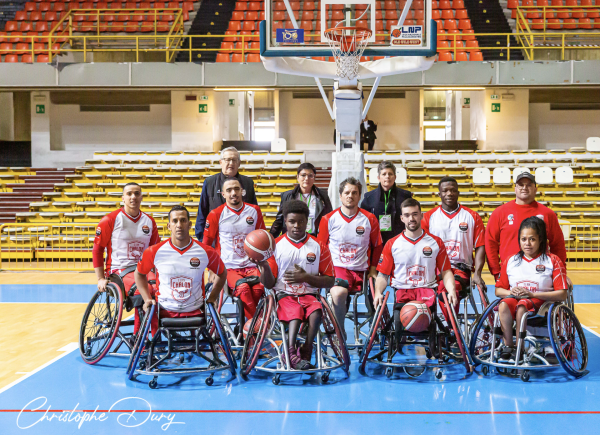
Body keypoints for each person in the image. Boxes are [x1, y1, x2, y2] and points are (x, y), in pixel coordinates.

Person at [252, 200, 335, 370]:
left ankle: (307, 349)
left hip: (310, 294)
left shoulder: (319, 246)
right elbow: (269, 283)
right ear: (285, 222)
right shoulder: (275, 246)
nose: (296, 225)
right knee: (295, 312)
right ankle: (289, 352)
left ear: (307, 222)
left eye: (301, 221)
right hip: (284, 294)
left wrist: (305, 277)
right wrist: (265, 267)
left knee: (316, 311)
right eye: (292, 221)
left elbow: (330, 280)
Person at [374, 198, 458, 345]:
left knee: (424, 321)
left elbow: (446, 272)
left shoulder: (436, 242)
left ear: (421, 215)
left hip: (427, 291)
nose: (411, 218)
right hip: (402, 292)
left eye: (414, 214)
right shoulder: (392, 244)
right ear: (401, 218)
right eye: (406, 215)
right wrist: (378, 293)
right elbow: (382, 275)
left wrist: (451, 290)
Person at [135, 205, 228, 334]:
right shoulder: (154, 251)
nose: (179, 225)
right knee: (150, 309)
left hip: (195, 310)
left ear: (189, 224)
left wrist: (212, 297)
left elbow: (222, 273)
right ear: (169, 226)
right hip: (164, 310)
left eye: (183, 220)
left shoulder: (205, 251)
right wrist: (146, 299)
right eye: (175, 221)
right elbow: (139, 274)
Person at [494, 216, 568, 361]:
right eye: (523, 239)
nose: (527, 243)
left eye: (532, 239)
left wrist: (532, 294)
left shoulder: (552, 261)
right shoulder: (511, 261)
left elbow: (562, 294)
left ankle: (520, 350)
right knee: (503, 305)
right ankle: (509, 345)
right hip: (516, 299)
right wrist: (511, 292)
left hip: (542, 302)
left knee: (522, 307)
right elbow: (498, 290)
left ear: (540, 239)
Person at [318, 177, 383, 336]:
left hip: (362, 271)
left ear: (360, 196)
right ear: (340, 196)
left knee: (377, 292)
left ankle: (379, 330)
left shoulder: (370, 219)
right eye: (346, 192)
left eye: (354, 192)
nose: (350, 195)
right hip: (338, 268)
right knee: (339, 293)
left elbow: (378, 245)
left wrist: (374, 268)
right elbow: (320, 247)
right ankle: (339, 333)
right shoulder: (328, 219)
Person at [93, 182, 160, 332]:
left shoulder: (149, 221)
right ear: (123, 198)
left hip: (143, 270)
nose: (133, 197)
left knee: (161, 289)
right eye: (129, 194)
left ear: (141, 197)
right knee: (144, 290)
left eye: (136, 193)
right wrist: (100, 278)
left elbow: (156, 253)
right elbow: (97, 250)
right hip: (119, 271)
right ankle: (140, 342)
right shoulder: (110, 219)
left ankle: (156, 338)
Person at [421, 177, 486, 319]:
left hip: (460, 268)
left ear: (458, 192)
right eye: (445, 191)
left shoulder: (472, 216)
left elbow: (480, 246)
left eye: (452, 190)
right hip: (435, 269)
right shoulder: (428, 217)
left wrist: (478, 273)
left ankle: (450, 328)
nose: (449, 193)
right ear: (439, 194)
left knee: (448, 289)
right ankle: (434, 326)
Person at [203, 177, 266, 321]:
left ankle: (248, 329)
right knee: (243, 289)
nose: (233, 193)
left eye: (236, 189)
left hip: (251, 265)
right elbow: (206, 245)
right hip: (229, 267)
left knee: (258, 290)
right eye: (229, 190)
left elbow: (262, 239)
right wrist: (211, 269)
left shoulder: (254, 210)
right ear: (223, 194)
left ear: (242, 191)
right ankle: (254, 331)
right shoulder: (216, 214)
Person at [485, 172, 567, 282]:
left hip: (541, 274)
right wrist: (496, 272)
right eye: (521, 185)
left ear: (535, 189)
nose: (524, 188)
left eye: (529, 185)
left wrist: (560, 271)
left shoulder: (548, 214)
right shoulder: (500, 213)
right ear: (515, 188)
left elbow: (558, 244)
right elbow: (490, 243)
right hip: (510, 273)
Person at [194, 147, 258, 242]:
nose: (231, 163)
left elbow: (254, 212)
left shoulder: (248, 183)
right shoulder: (209, 182)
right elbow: (202, 214)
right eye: (227, 160)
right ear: (221, 162)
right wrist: (203, 241)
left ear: (239, 163)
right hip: (215, 242)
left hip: (243, 241)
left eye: (234, 160)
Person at [270, 162, 333, 238]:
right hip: (293, 238)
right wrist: (271, 237)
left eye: (310, 176)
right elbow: (280, 220)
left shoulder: (322, 195)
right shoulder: (287, 196)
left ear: (314, 178)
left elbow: (330, 218)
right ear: (297, 177)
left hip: (314, 237)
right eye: (303, 175)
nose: (306, 178)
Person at [360, 161, 412, 246]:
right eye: (384, 174)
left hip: (400, 242)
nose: (387, 176)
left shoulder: (405, 196)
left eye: (390, 174)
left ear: (395, 177)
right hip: (377, 243)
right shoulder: (369, 198)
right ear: (378, 177)